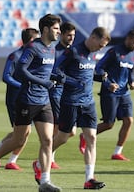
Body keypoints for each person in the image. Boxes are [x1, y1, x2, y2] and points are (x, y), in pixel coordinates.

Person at [0, 14, 62, 192]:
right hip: (27, 99)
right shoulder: (33, 47)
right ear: (47, 29)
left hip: (44, 101)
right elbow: (20, 71)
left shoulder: (52, 49)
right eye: (56, 28)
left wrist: (57, 77)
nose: (59, 32)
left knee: (48, 140)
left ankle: (45, 182)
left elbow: (44, 73)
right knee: (19, 140)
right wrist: (43, 82)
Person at [49, 27, 110, 190]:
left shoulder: (93, 54)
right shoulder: (73, 52)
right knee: (62, 137)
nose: (101, 49)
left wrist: (102, 79)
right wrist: (72, 82)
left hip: (88, 103)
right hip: (70, 102)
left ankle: (89, 178)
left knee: (92, 137)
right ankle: (42, 159)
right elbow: (55, 71)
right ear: (93, 37)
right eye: (101, 45)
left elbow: (87, 75)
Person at [79, 29, 134, 161]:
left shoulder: (132, 56)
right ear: (128, 39)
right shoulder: (114, 52)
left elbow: (130, 72)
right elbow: (99, 68)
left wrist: (132, 82)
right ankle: (85, 136)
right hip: (110, 93)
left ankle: (117, 152)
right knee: (108, 124)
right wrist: (108, 84)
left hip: (124, 93)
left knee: (129, 120)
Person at [0, 28, 39, 170]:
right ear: (30, 41)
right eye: (36, 40)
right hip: (15, 99)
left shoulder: (34, 56)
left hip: (29, 98)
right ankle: (10, 159)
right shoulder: (15, 56)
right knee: (24, 131)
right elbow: (6, 76)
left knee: (23, 131)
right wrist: (22, 85)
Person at [48, 21, 76, 168]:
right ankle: (50, 158)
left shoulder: (74, 52)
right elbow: (51, 72)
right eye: (69, 35)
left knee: (71, 131)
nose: (71, 38)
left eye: (73, 35)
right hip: (56, 93)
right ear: (62, 35)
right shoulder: (55, 51)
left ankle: (49, 153)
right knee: (58, 127)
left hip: (70, 95)